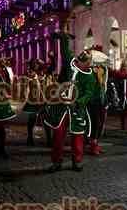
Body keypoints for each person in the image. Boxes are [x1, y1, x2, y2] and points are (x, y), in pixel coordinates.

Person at [44, 30, 96, 172]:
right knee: (58, 136)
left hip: (76, 110)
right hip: (61, 107)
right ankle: (57, 161)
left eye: (80, 62)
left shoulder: (90, 77)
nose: (77, 63)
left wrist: (79, 102)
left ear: (87, 64)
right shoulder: (70, 63)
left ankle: (77, 161)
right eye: (77, 61)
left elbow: (88, 93)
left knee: (77, 137)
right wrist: (63, 39)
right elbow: (65, 53)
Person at [86, 45, 108, 156]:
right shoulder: (89, 70)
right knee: (95, 123)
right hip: (92, 100)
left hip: (101, 99)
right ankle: (92, 144)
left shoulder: (102, 69)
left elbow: (104, 85)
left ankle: (95, 142)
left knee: (101, 123)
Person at [22, 58, 47, 146]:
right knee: (32, 119)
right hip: (33, 100)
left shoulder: (43, 74)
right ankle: (29, 137)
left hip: (43, 100)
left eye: (38, 64)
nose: (36, 65)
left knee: (46, 119)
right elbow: (26, 87)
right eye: (35, 64)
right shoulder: (30, 75)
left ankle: (49, 139)